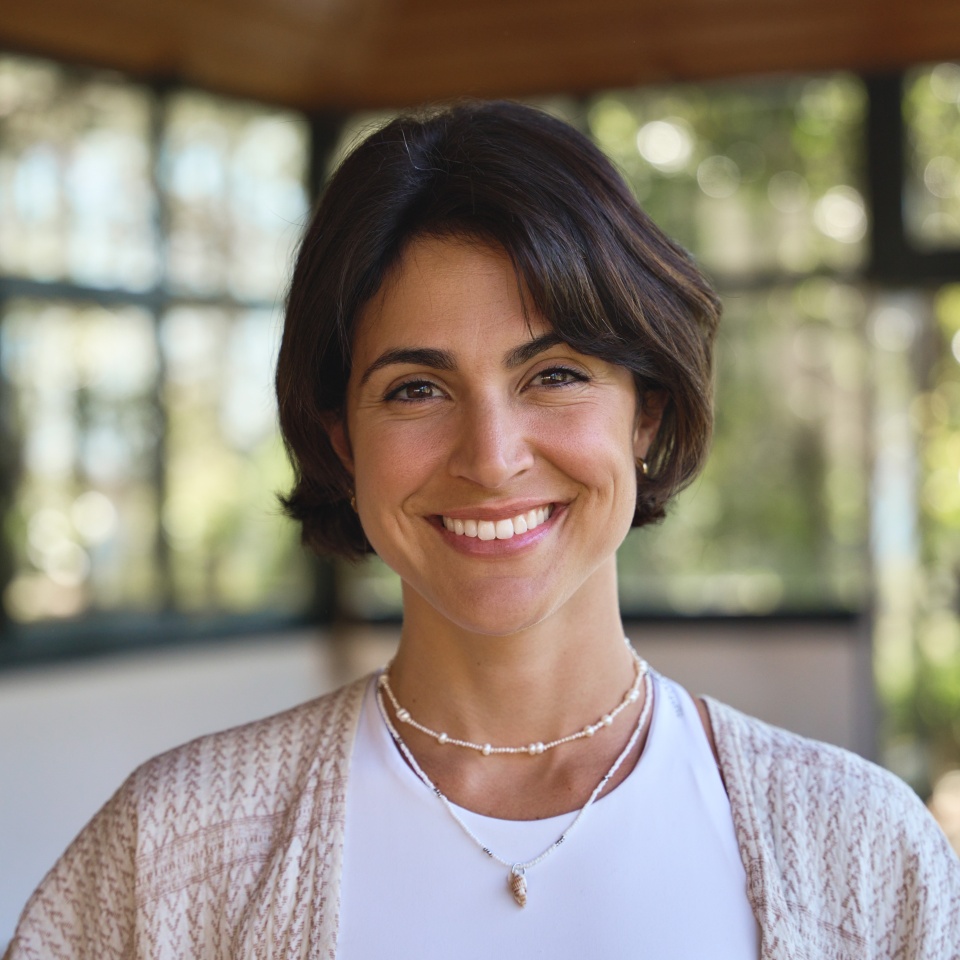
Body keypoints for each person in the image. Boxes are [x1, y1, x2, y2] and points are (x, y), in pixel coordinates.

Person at [7, 101, 959, 959]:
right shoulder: (172, 849)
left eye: (554, 374)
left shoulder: (864, 850)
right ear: (343, 442)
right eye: (416, 389)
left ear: (648, 413)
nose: (491, 456)